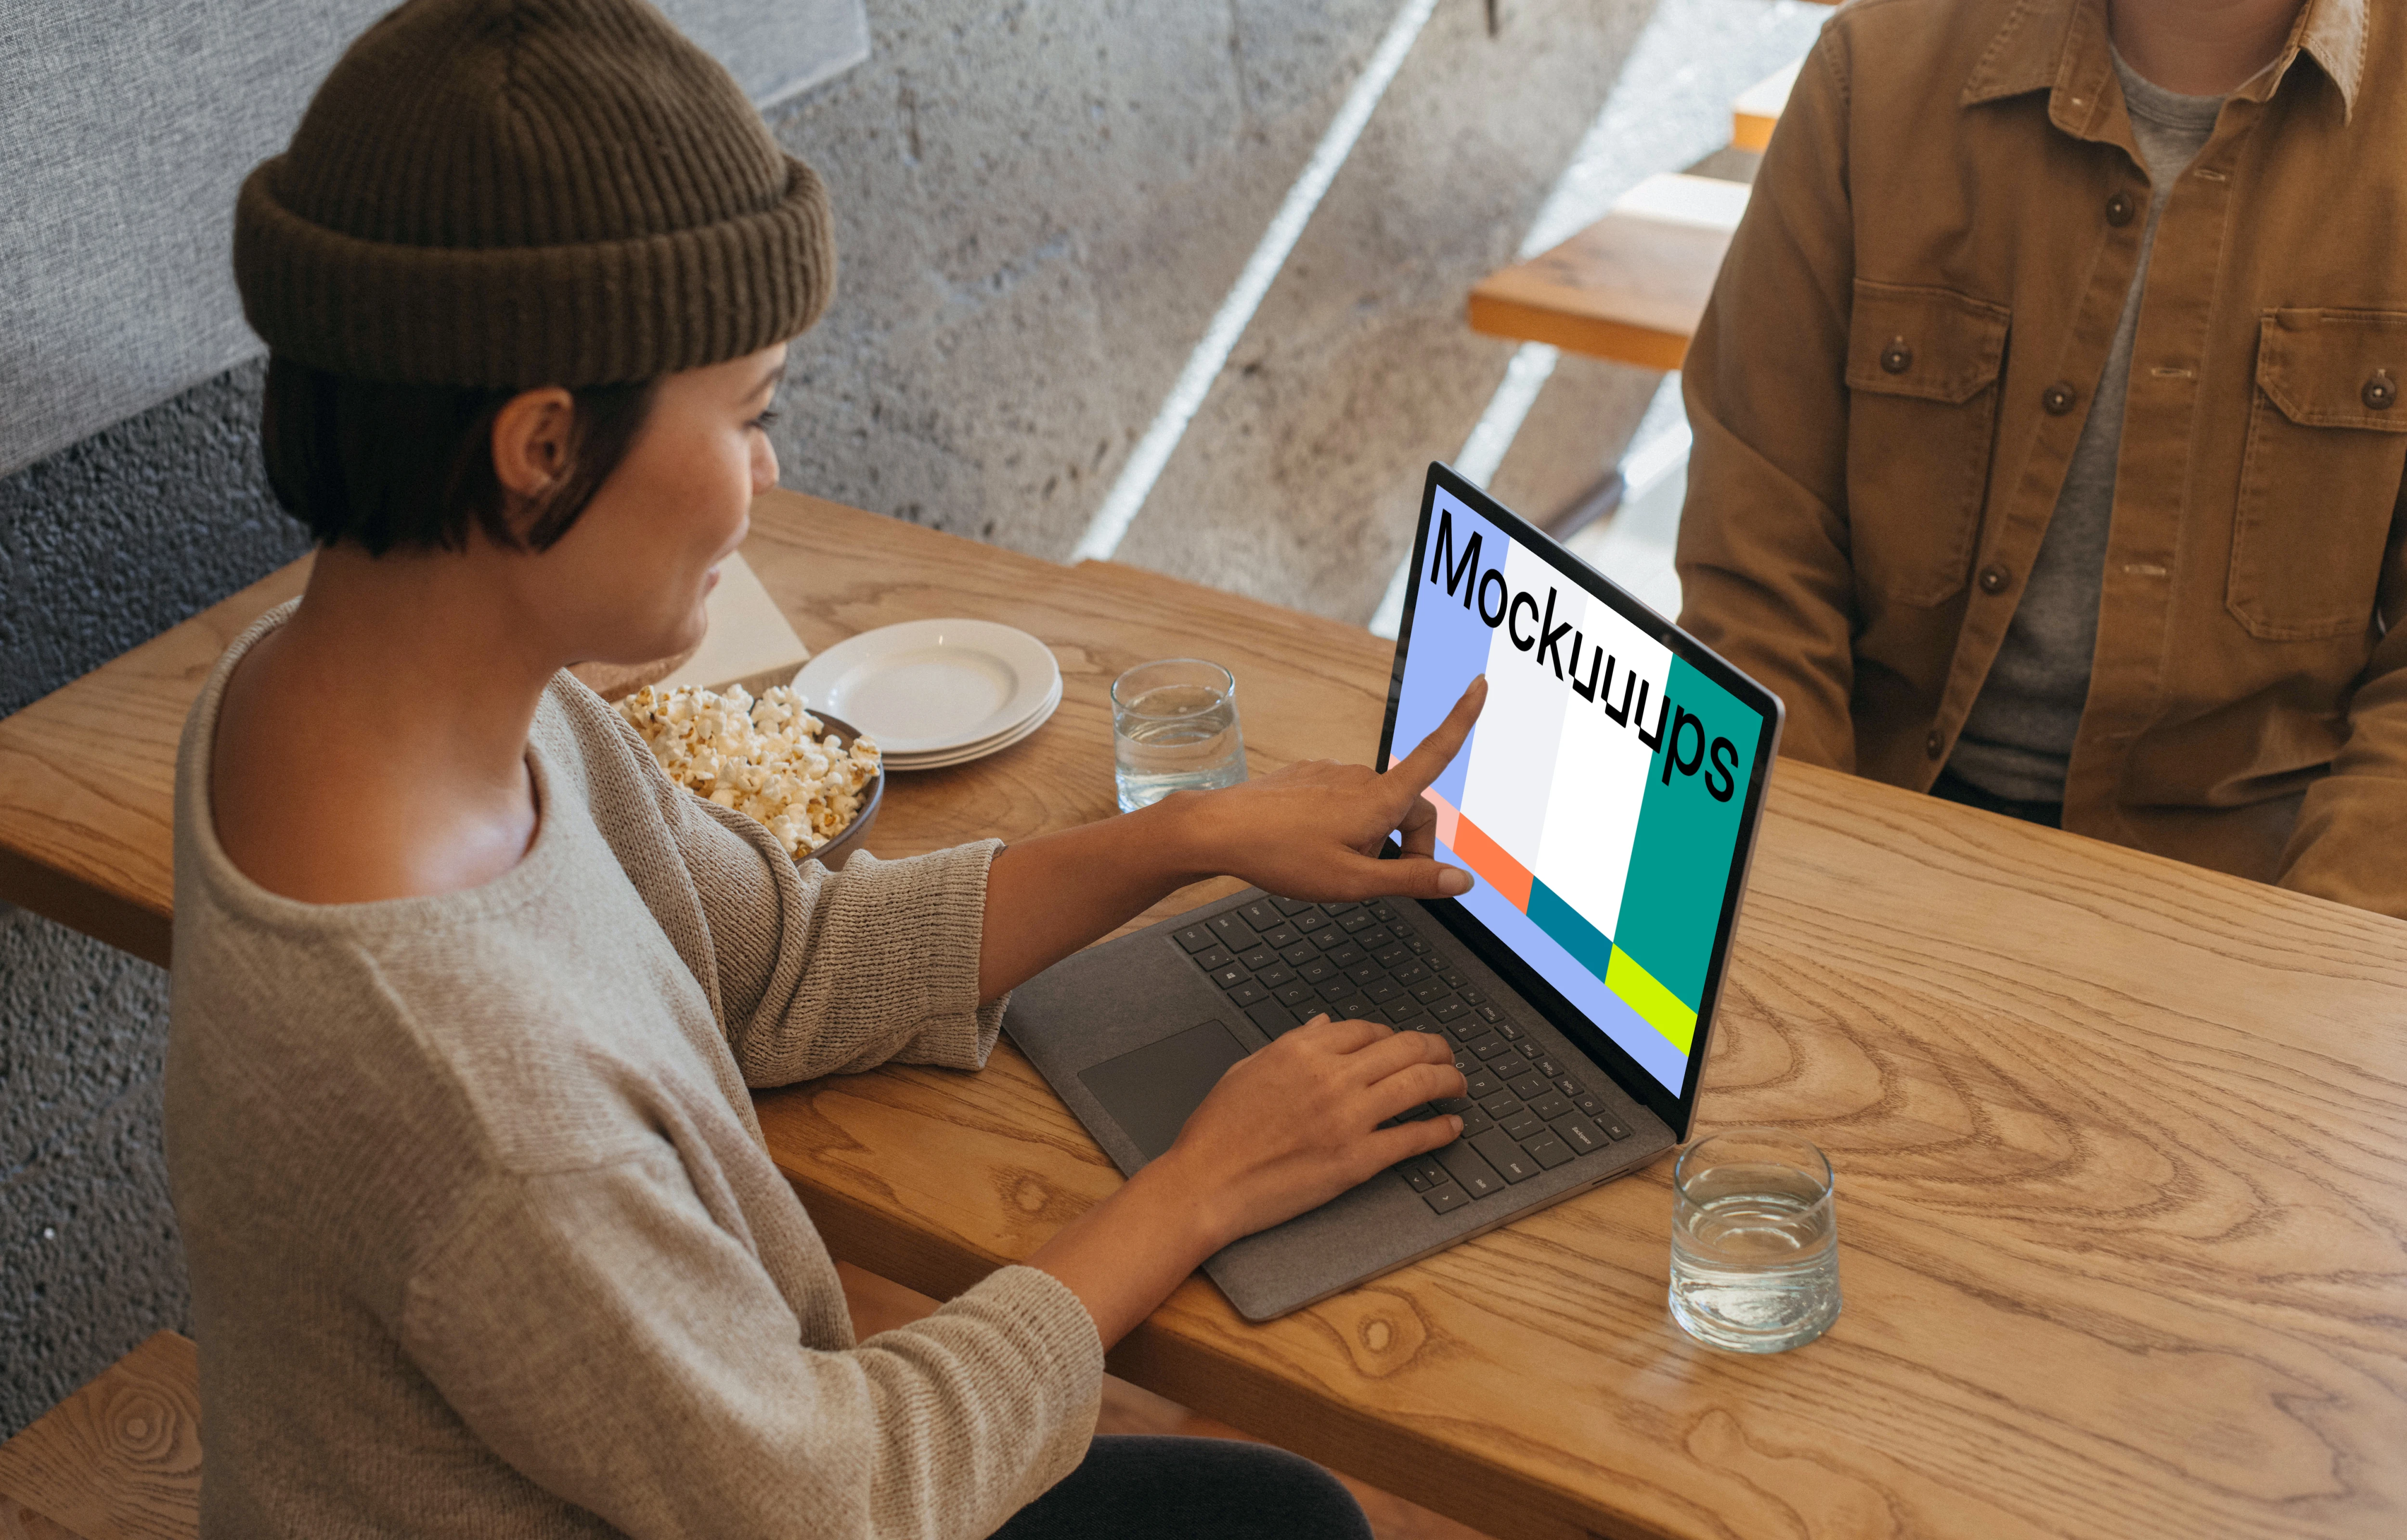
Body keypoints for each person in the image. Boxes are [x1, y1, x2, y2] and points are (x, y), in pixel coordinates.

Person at [166, 1, 1487, 1534]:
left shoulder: (362, 694)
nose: (770, 472)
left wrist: (1187, 834)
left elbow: (777, 960)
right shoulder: (486, 1102)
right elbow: (841, 1499)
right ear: (542, 449)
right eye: (749, 414)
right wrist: (1204, 1186)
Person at [1674, 0, 2407, 917]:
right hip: (1872, 809)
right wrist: (1797, 892)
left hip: (2249, 876)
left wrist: (2314, 952)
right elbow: (1756, 560)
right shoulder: (1877, 69)